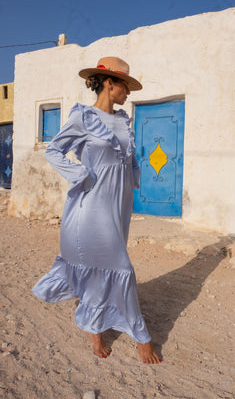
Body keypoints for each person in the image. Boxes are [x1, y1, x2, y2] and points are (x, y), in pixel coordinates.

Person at [32, 57, 161, 364]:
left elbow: (128, 158)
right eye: (124, 86)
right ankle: (142, 337)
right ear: (108, 83)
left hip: (119, 204)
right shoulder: (83, 117)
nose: (128, 92)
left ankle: (95, 330)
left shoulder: (123, 121)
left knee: (101, 270)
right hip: (91, 206)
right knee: (122, 269)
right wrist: (80, 175)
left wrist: (133, 177)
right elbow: (54, 150)